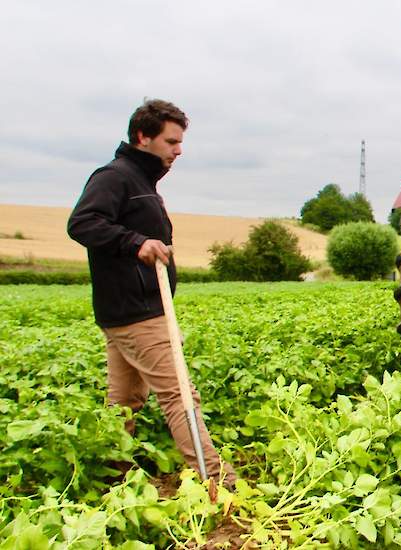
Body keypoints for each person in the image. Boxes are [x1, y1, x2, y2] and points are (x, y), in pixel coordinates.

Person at [67, 99, 236, 487]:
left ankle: (111, 477)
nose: (178, 150)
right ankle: (216, 481)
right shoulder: (115, 177)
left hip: (125, 310)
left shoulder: (140, 181)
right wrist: (136, 242)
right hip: (139, 311)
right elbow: (82, 223)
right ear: (143, 137)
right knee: (178, 395)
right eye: (171, 141)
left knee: (123, 401)